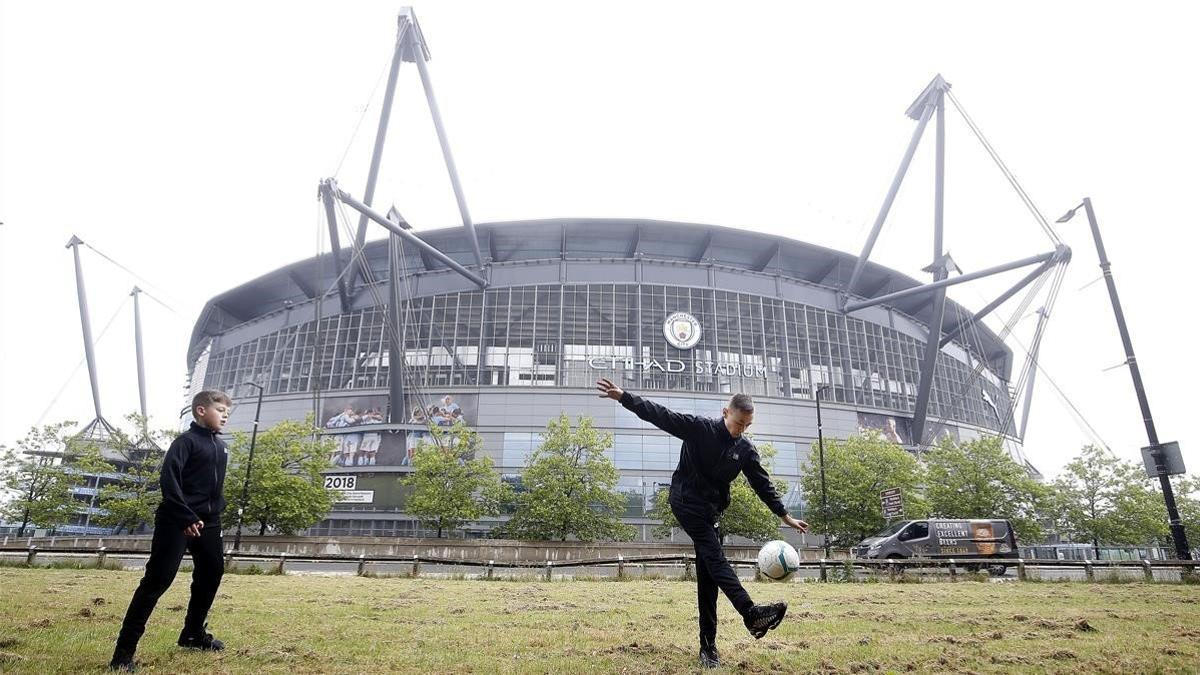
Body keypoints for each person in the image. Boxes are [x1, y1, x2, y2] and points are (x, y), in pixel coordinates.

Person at [596, 378, 808, 669]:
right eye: (738, 423)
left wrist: (785, 516)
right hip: (685, 501)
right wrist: (624, 397)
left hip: (712, 513)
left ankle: (708, 648)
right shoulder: (699, 429)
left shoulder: (745, 449)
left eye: (747, 425)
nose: (741, 430)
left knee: (709, 576)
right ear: (725, 413)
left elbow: (762, 484)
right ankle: (750, 613)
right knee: (715, 557)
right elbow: (661, 415)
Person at [110, 390, 233, 672]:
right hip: (176, 520)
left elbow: (213, 489)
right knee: (157, 581)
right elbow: (169, 481)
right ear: (201, 411)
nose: (226, 414)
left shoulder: (222, 447)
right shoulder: (185, 442)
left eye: (228, 410)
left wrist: (212, 514)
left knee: (212, 573)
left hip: (209, 522)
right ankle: (123, 655)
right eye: (220, 409)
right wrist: (185, 516)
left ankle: (192, 635)